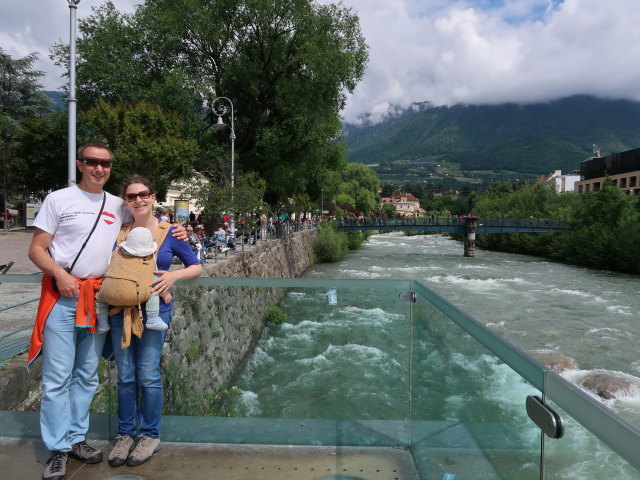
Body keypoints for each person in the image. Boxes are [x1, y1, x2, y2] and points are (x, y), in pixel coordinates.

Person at [27, 143, 187, 480]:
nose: (99, 168)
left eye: (105, 163)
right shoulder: (58, 199)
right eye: (92, 162)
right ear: (80, 164)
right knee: (57, 378)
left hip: (101, 300)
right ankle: (57, 449)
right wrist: (60, 274)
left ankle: (76, 439)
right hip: (63, 296)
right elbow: (37, 249)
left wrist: (179, 230)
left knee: (86, 375)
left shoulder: (119, 205)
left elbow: (149, 221)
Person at [107, 176, 202, 468]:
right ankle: (125, 434)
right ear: (126, 201)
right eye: (132, 196)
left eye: (143, 194)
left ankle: (149, 435)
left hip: (155, 310)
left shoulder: (171, 232)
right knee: (125, 375)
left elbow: (197, 266)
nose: (138, 200)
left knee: (147, 374)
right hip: (119, 310)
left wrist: (172, 276)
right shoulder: (118, 231)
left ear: (153, 196)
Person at [95, 227, 171, 333]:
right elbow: (157, 281)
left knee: (100, 296)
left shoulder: (116, 253)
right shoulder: (148, 260)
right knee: (152, 283)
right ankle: (152, 318)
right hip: (136, 295)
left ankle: (102, 323)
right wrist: (165, 294)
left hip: (109, 295)